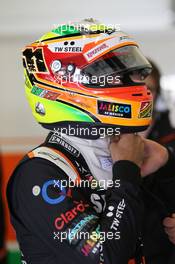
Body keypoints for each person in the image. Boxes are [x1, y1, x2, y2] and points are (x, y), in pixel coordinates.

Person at [6, 20, 175, 264]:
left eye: (131, 73)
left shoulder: (122, 149)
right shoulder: (41, 173)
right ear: (67, 83)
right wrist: (126, 173)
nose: (135, 84)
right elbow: (103, 257)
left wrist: (168, 162)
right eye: (117, 75)